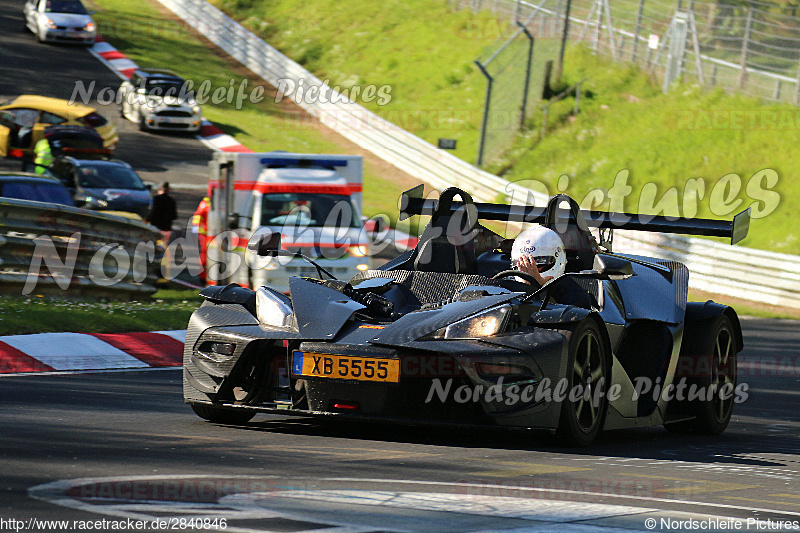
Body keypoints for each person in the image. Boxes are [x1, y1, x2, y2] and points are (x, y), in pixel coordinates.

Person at [191, 196, 211, 283]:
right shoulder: (205, 203)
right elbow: (198, 215)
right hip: (205, 233)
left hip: (212, 233)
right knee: (205, 253)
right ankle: (203, 276)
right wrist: (196, 226)